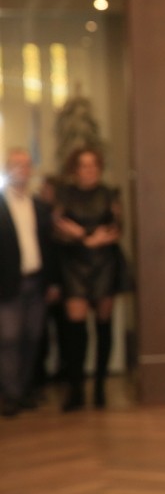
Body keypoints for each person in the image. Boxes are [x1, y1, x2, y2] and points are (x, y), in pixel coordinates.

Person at [53, 147, 127, 411]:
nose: (89, 170)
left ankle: (99, 388)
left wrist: (86, 235)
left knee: (104, 326)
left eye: (93, 165)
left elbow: (117, 228)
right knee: (75, 329)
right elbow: (58, 229)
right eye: (84, 165)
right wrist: (87, 237)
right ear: (75, 169)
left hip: (104, 264)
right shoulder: (64, 195)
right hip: (74, 265)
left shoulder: (109, 194)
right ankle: (75, 389)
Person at [0, 149, 59, 417]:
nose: (21, 170)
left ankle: (23, 391)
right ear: (6, 169)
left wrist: (53, 282)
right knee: (9, 340)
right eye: (15, 165)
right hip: (7, 285)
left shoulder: (39, 206)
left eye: (25, 165)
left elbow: (50, 247)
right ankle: (11, 395)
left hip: (37, 282)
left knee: (33, 338)